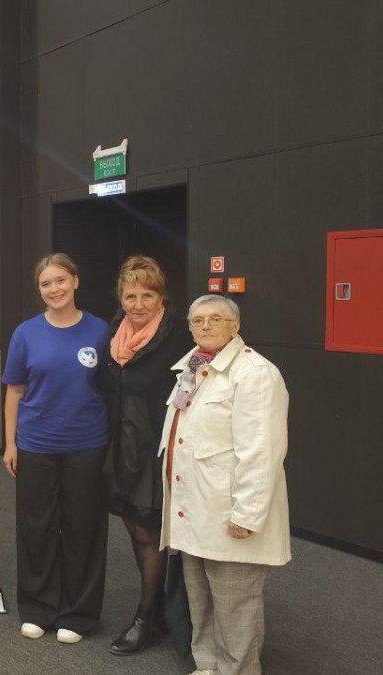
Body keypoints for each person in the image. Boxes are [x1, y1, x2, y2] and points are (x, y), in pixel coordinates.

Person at [160, 295, 290, 675]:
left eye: (216, 319)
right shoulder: (193, 366)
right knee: (200, 602)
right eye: (198, 320)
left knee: (235, 609)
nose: (205, 326)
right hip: (192, 508)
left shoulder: (255, 373)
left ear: (236, 326)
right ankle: (207, 666)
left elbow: (262, 451)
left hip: (228, 513)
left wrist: (246, 514)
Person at [2, 253, 110, 645]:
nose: (54, 289)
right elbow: (15, 392)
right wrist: (10, 443)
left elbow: (111, 388)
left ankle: (78, 614)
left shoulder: (101, 331)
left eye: (61, 280)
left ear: (75, 281)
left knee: (83, 529)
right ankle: (38, 608)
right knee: (37, 529)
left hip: (88, 444)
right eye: (46, 284)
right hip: (36, 445)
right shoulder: (26, 333)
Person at [101, 256, 193, 655]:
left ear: (161, 298)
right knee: (136, 528)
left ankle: (147, 616)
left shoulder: (180, 338)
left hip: (157, 449)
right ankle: (157, 611)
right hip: (121, 447)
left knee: (149, 531)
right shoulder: (113, 334)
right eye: (130, 296)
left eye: (147, 296)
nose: (138, 304)